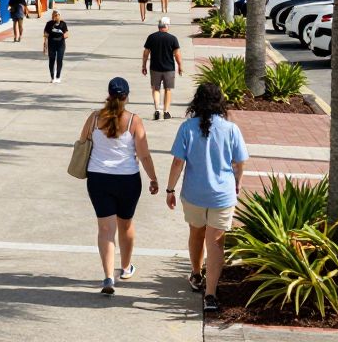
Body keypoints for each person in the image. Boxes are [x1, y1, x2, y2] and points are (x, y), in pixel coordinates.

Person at [166, 83, 249, 314]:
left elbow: (177, 163)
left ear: (197, 102)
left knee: (196, 233)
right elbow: (240, 162)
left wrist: (170, 190)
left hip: (194, 193)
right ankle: (210, 294)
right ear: (220, 102)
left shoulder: (187, 128)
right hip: (222, 195)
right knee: (215, 243)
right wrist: (238, 182)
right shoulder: (231, 129)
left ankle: (195, 273)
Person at [80, 78, 159, 295]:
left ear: (108, 94)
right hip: (127, 180)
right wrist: (153, 178)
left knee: (105, 229)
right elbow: (143, 154)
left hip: (98, 179)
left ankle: (107, 277)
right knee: (126, 225)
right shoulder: (134, 120)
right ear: (127, 96)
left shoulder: (94, 118)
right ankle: (125, 268)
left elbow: (82, 141)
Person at [142, 17, 183, 120]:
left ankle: (157, 109)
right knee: (167, 89)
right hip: (169, 68)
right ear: (167, 26)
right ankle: (166, 111)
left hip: (155, 67)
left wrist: (144, 65)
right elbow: (177, 54)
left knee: (156, 89)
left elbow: (146, 53)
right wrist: (180, 66)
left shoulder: (151, 37)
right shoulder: (172, 38)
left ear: (159, 26)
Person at [42, 9, 69, 83]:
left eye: (56, 15)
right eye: (53, 15)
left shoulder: (63, 24)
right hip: (51, 44)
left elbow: (67, 34)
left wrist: (62, 36)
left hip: (61, 44)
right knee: (52, 60)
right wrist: (45, 45)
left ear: (59, 16)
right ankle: (52, 77)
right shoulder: (49, 24)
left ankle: (58, 76)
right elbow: (45, 34)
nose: (55, 17)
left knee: (59, 60)